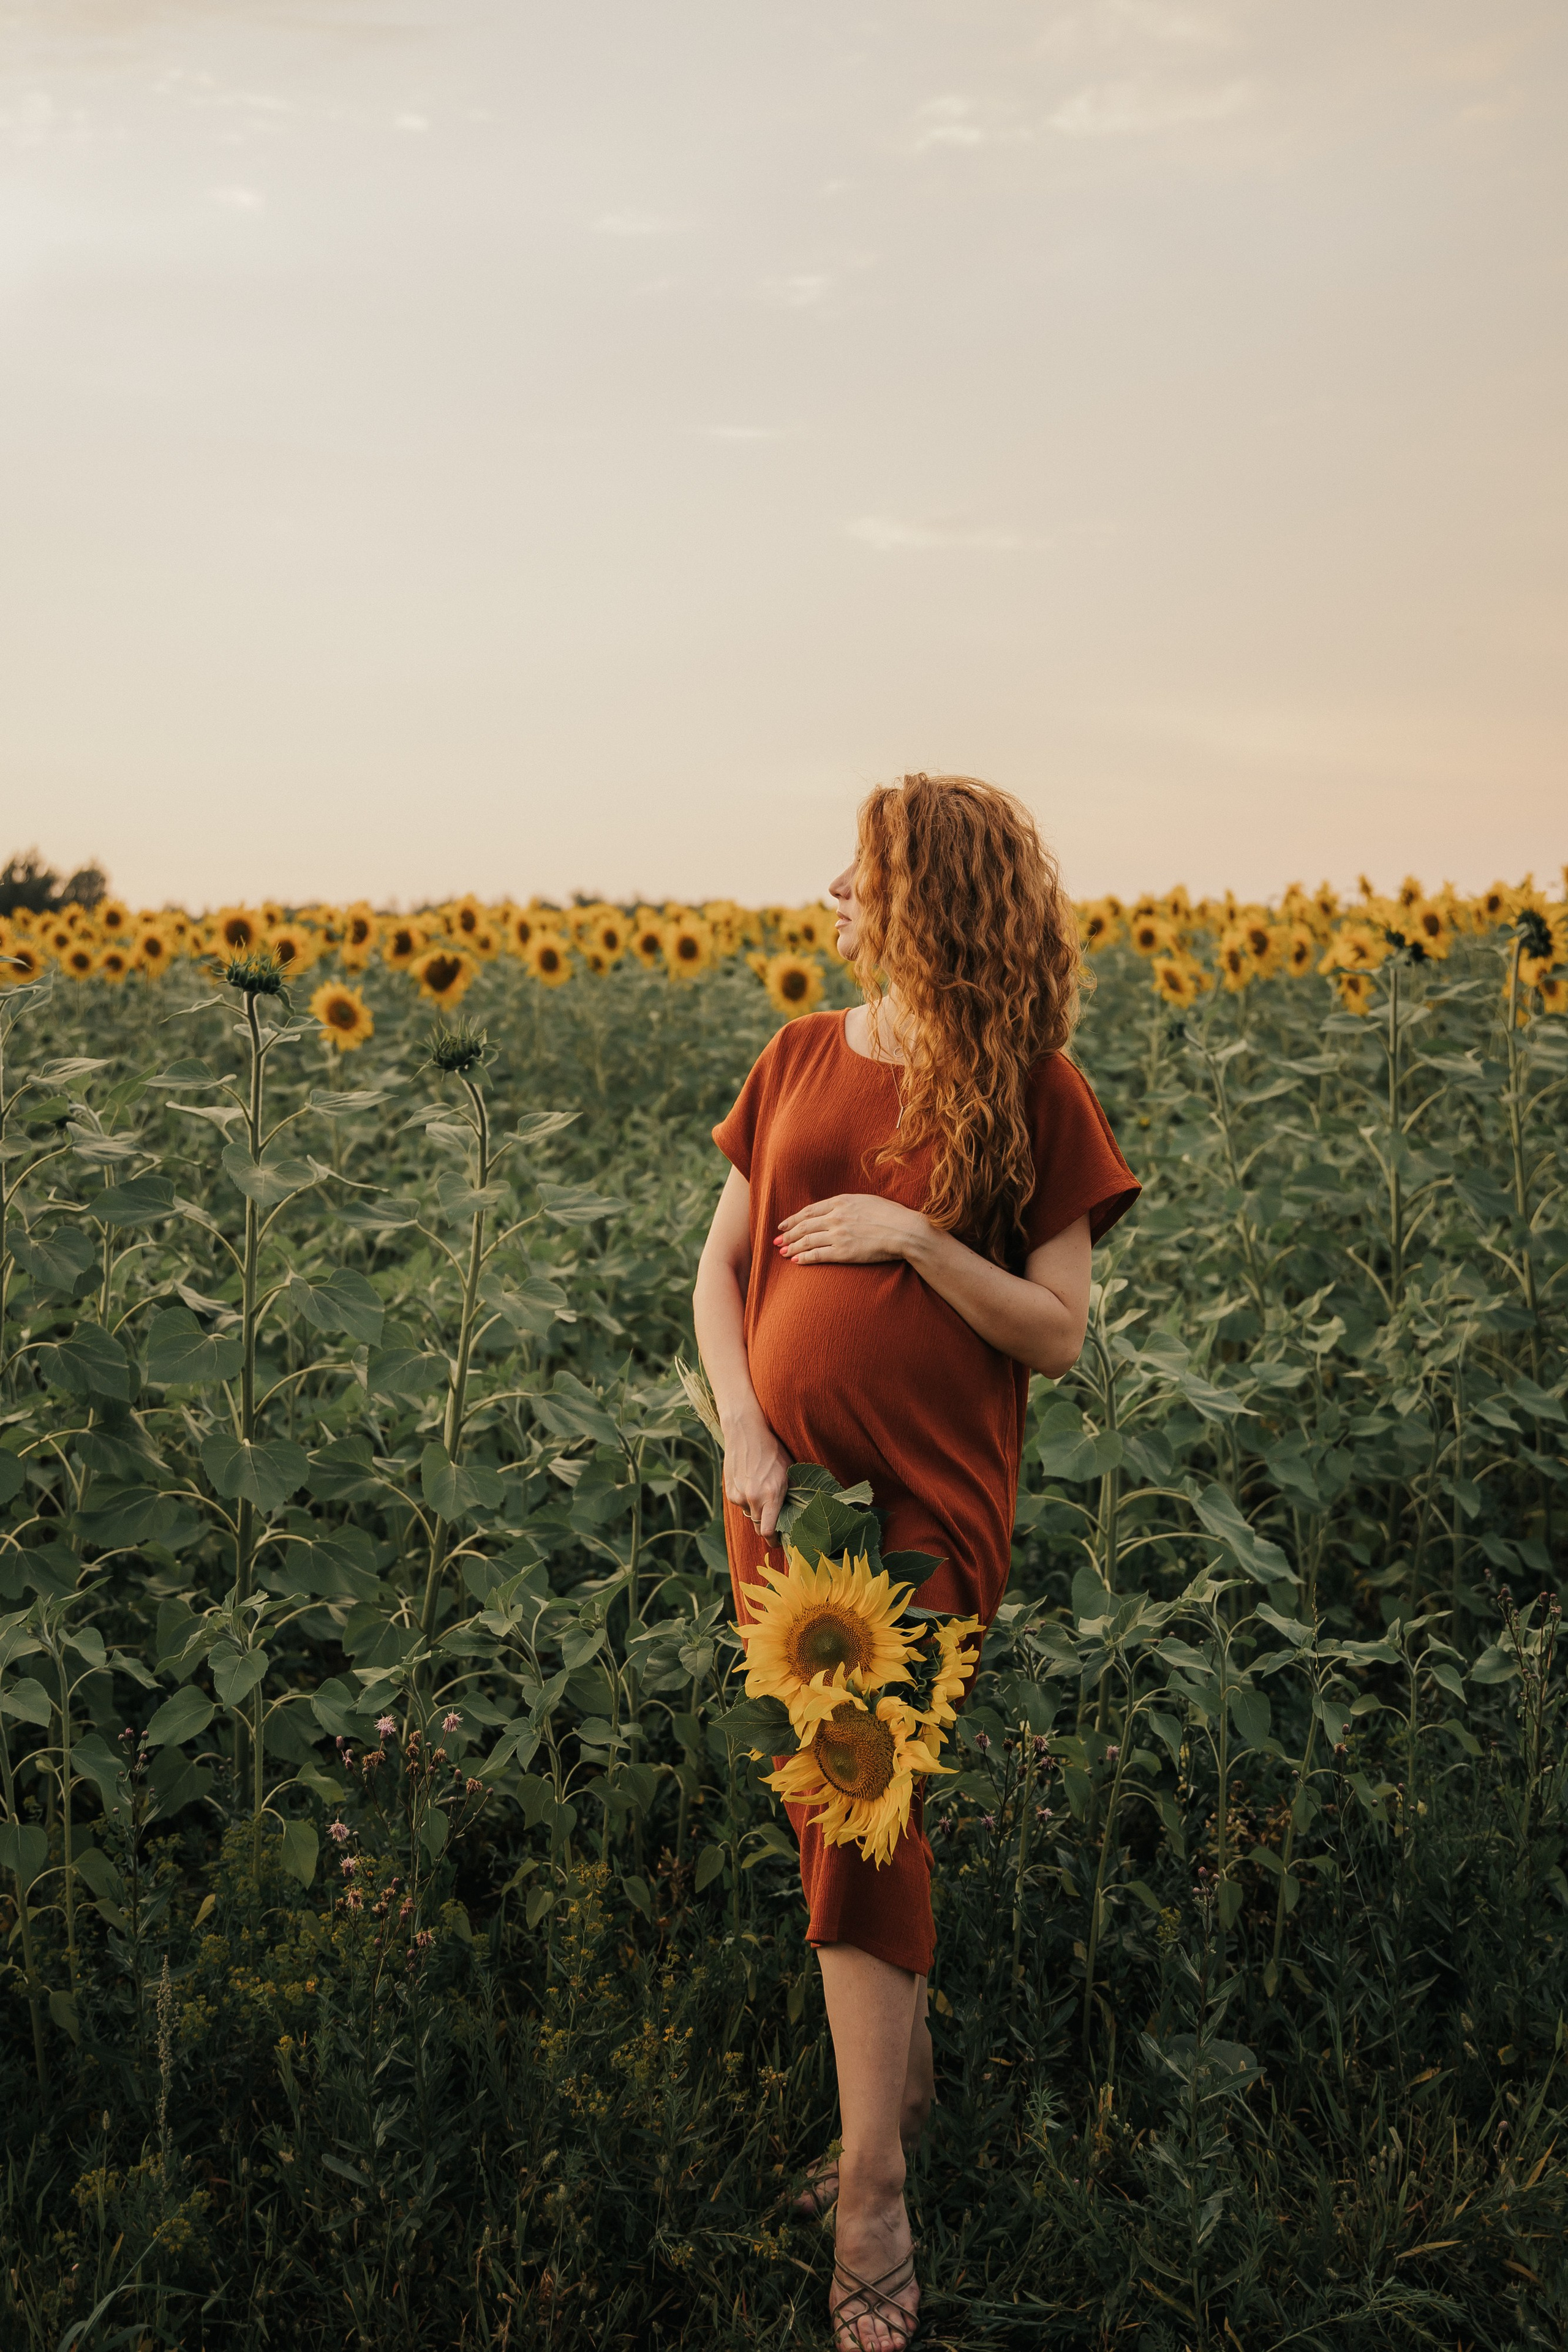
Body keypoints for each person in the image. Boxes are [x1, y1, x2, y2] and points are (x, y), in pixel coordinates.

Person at [692, 773, 1139, 2350]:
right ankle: (909, 2080)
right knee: (851, 1810)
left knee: (856, 1813)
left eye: (862, 871)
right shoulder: (800, 1051)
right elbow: (722, 1261)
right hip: (780, 1500)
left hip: (925, 1511)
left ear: (930, 896)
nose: (833, 891)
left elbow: (1059, 1334)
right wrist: (745, 1423)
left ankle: (871, 2187)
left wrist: (916, 1245)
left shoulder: (1031, 1086)